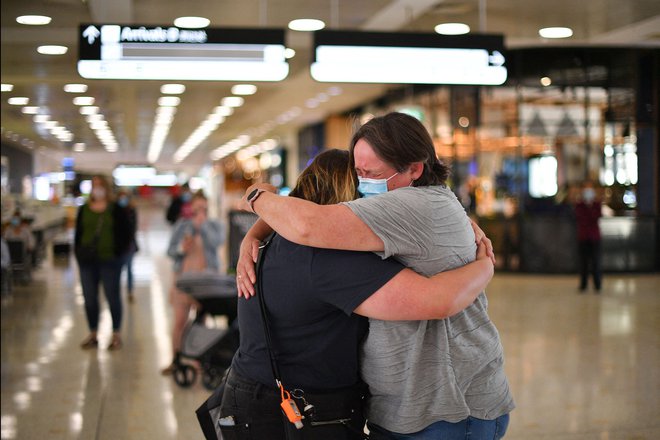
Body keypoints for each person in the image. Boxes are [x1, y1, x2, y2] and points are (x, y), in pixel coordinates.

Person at [237, 112, 514, 439]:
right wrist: (255, 230)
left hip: (444, 410)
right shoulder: (411, 204)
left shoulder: (409, 205)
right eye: (358, 172)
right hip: (408, 408)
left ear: (415, 169)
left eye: (373, 173)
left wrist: (257, 198)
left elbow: (307, 223)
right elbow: (303, 221)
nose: (364, 183)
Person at [162, 190, 225, 374]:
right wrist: (181, 248)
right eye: (196, 208)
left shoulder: (214, 226)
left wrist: (203, 225)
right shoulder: (182, 225)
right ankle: (176, 359)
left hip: (206, 283)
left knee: (201, 321)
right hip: (183, 280)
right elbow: (170, 251)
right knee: (179, 321)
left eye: (203, 208)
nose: (200, 212)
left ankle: (200, 360)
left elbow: (216, 243)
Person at [74, 175, 132, 350]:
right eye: (94, 185)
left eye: (100, 185)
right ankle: (93, 333)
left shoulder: (116, 209)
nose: (97, 189)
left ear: (106, 188)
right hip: (87, 261)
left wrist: (118, 253)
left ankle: (116, 334)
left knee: (112, 296)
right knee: (89, 298)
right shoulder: (84, 209)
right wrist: (78, 253)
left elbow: (127, 233)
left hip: (110, 261)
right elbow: (78, 233)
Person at [574, 180, 602, 292]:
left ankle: (597, 284)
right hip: (583, 237)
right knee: (583, 262)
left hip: (595, 237)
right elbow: (580, 218)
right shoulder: (579, 205)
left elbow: (596, 217)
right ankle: (583, 284)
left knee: (596, 261)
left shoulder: (597, 204)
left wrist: (591, 206)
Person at [117, 190, 139, 303]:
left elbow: (134, 228)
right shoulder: (114, 211)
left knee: (129, 268)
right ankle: (117, 291)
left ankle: (130, 291)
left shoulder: (131, 211)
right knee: (118, 270)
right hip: (118, 246)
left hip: (129, 245)